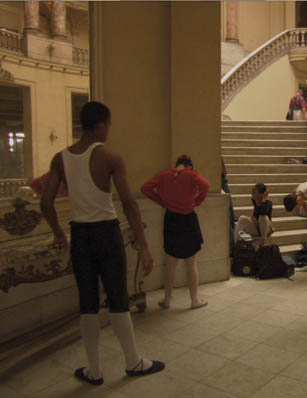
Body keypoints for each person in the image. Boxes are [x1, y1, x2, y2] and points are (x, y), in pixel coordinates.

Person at [40, 101, 164, 386]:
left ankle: (94, 371)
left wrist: (59, 233)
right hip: (107, 234)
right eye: (108, 125)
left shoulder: (60, 159)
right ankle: (133, 362)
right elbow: (129, 203)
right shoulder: (110, 157)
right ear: (100, 125)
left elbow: (45, 202)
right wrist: (144, 246)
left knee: (88, 303)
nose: (109, 130)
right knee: (118, 298)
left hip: (80, 235)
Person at [141, 155, 209, 310]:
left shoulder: (163, 175)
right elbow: (205, 185)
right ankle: (194, 299)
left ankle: (167, 299)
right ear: (189, 166)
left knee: (171, 262)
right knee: (191, 262)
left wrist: (162, 201)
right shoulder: (192, 175)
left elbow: (145, 188)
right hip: (188, 219)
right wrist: (196, 201)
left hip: (171, 219)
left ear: (177, 165)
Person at [234, 183, 273, 247]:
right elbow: (255, 214)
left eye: (254, 192)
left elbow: (263, 214)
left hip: (265, 229)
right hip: (256, 227)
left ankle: (263, 240)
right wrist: (252, 218)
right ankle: (236, 243)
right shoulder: (254, 201)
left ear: (261, 194)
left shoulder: (268, 204)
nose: (252, 193)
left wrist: (263, 199)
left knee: (263, 217)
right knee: (242, 218)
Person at [221, 159, 236, 256]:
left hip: (221, 180)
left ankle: (232, 248)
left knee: (229, 217)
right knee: (229, 217)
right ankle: (232, 247)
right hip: (221, 180)